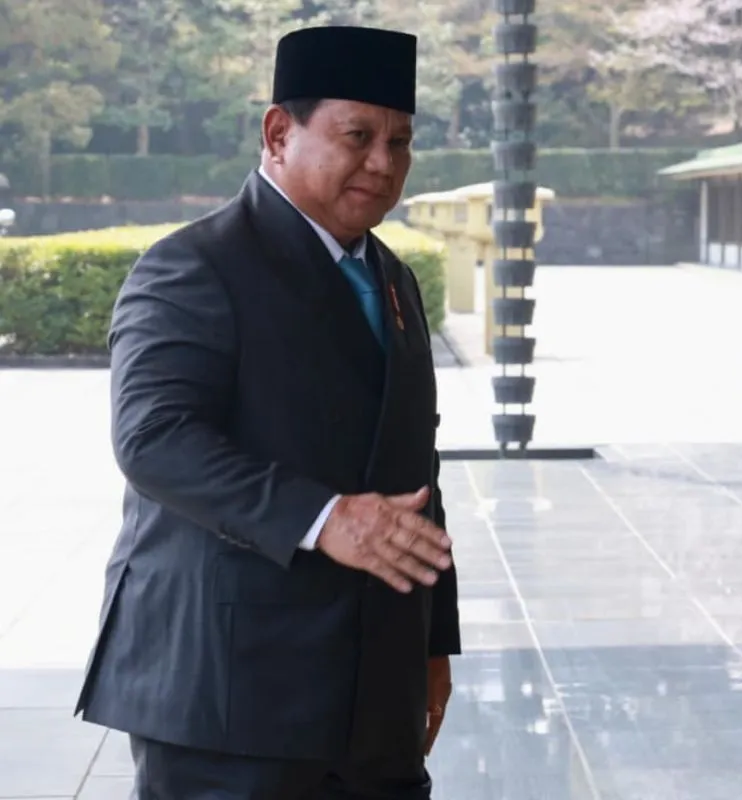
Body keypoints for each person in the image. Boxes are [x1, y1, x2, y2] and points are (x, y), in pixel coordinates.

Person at [74, 25, 460, 799]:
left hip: (377, 696)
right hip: (230, 693)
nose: (383, 164)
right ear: (279, 133)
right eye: (357, 136)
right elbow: (155, 439)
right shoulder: (193, 264)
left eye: (400, 142)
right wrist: (325, 517)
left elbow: (415, 470)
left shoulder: (395, 279)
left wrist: (431, 642)